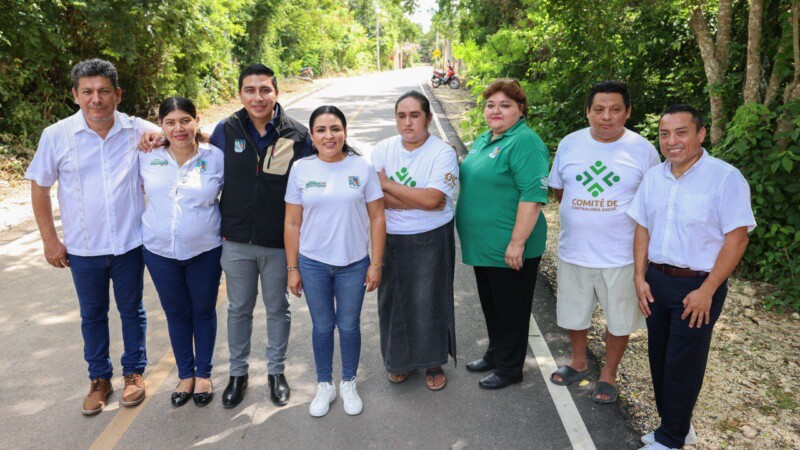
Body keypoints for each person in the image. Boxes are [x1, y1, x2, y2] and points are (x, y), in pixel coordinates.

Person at [25, 58, 160, 415]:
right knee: (92, 314)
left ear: (118, 94)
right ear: (75, 95)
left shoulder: (137, 130)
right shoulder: (57, 136)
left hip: (131, 243)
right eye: (87, 92)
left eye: (103, 91)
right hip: (84, 249)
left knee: (132, 310)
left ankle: (133, 373)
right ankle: (100, 379)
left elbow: (182, 133)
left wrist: (158, 135)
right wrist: (49, 240)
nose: (95, 99)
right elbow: (39, 187)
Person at [628, 104, 755, 449]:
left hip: (698, 286)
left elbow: (737, 238)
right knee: (659, 357)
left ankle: (671, 440)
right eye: (665, 134)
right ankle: (675, 425)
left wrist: (708, 290)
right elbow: (642, 227)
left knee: (684, 361)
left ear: (701, 134)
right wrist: (640, 277)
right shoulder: (655, 176)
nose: (672, 141)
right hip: (656, 281)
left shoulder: (725, 177)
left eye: (681, 132)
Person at [547, 81, 660, 404]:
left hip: (622, 256)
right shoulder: (570, 144)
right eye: (598, 109)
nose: (606, 117)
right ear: (587, 112)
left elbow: (653, 201)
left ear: (628, 112)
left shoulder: (643, 150)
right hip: (575, 250)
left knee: (620, 317)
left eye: (614, 110)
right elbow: (559, 190)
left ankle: (608, 374)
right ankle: (578, 361)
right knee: (574, 313)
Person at [284, 105, 386, 417]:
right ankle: (325, 384)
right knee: (323, 325)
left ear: (344, 132)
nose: (329, 136)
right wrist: (292, 268)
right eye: (321, 130)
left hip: (354, 262)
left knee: (349, 325)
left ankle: (348, 382)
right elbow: (292, 223)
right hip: (313, 263)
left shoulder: (361, 167)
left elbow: (378, 216)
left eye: (335, 129)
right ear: (312, 136)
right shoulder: (301, 169)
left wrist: (375, 263)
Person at [455, 79, 550, 390]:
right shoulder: (487, 138)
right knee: (493, 306)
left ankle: (510, 369)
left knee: (511, 310)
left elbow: (532, 196)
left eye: (505, 105)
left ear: (520, 110)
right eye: (491, 105)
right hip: (484, 247)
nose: (496, 111)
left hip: (510, 247)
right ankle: (495, 354)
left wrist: (517, 242)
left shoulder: (525, 142)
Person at [138, 97, 224, 407]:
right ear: (160, 125)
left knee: (202, 311)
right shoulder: (147, 156)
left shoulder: (215, 156)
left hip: (205, 249)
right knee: (176, 313)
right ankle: (185, 375)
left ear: (197, 120)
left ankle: (203, 374)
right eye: (170, 122)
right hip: (159, 251)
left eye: (185, 120)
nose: (179, 128)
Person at [371, 90, 458, 391]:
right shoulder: (383, 148)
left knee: (429, 300)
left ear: (428, 118)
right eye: (401, 116)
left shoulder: (441, 153)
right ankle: (398, 362)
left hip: (431, 236)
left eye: (415, 115)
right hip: (391, 236)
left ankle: (432, 362)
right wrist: (415, 200)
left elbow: (434, 200)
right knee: (392, 301)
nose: (408, 123)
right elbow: (373, 199)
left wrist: (387, 184)